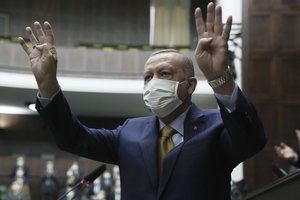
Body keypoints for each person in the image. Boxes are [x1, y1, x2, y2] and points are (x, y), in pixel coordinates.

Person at [18, 2, 266, 200]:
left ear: (190, 85)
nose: (154, 82)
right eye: (148, 77)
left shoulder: (217, 126)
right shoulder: (129, 132)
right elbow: (72, 137)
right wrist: (48, 84)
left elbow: (252, 140)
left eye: (164, 74)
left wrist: (219, 78)